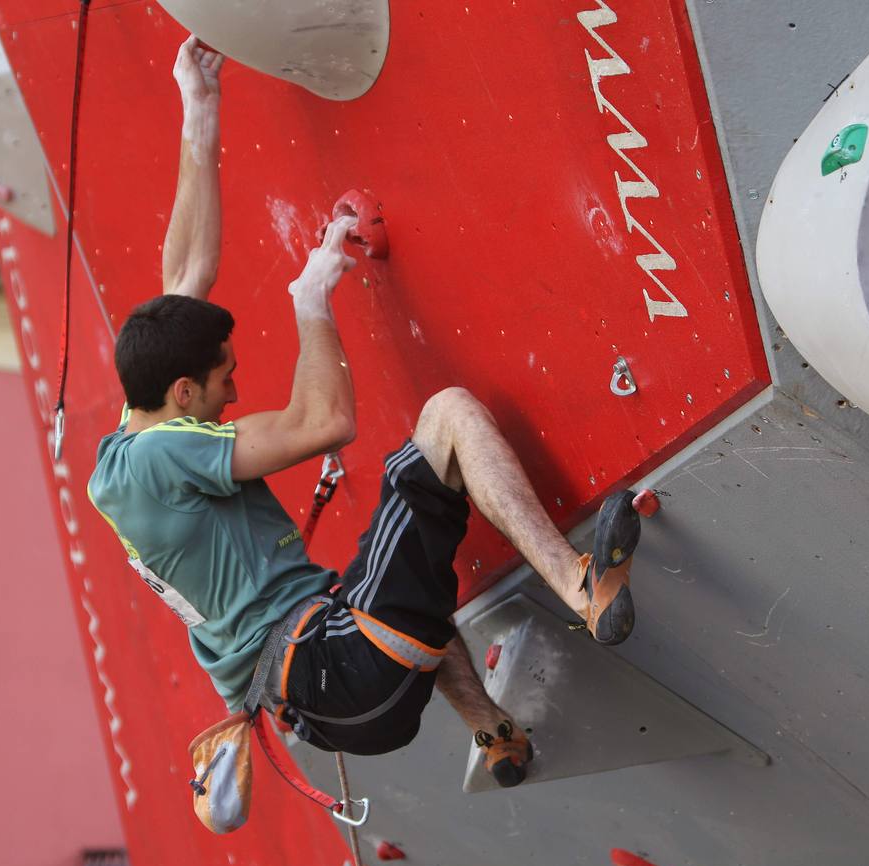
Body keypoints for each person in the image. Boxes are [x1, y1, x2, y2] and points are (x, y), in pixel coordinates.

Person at [88, 36, 641, 788]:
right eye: (224, 384)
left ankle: (496, 735)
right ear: (183, 394)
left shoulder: (126, 451)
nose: (234, 397)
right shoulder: (166, 454)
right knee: (445, 419)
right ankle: (581, 585)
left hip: (317, 706)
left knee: (399, 576)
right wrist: (311, 297)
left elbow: (186, 271)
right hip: (333, 665)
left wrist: (199, 103)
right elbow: (324, 424)